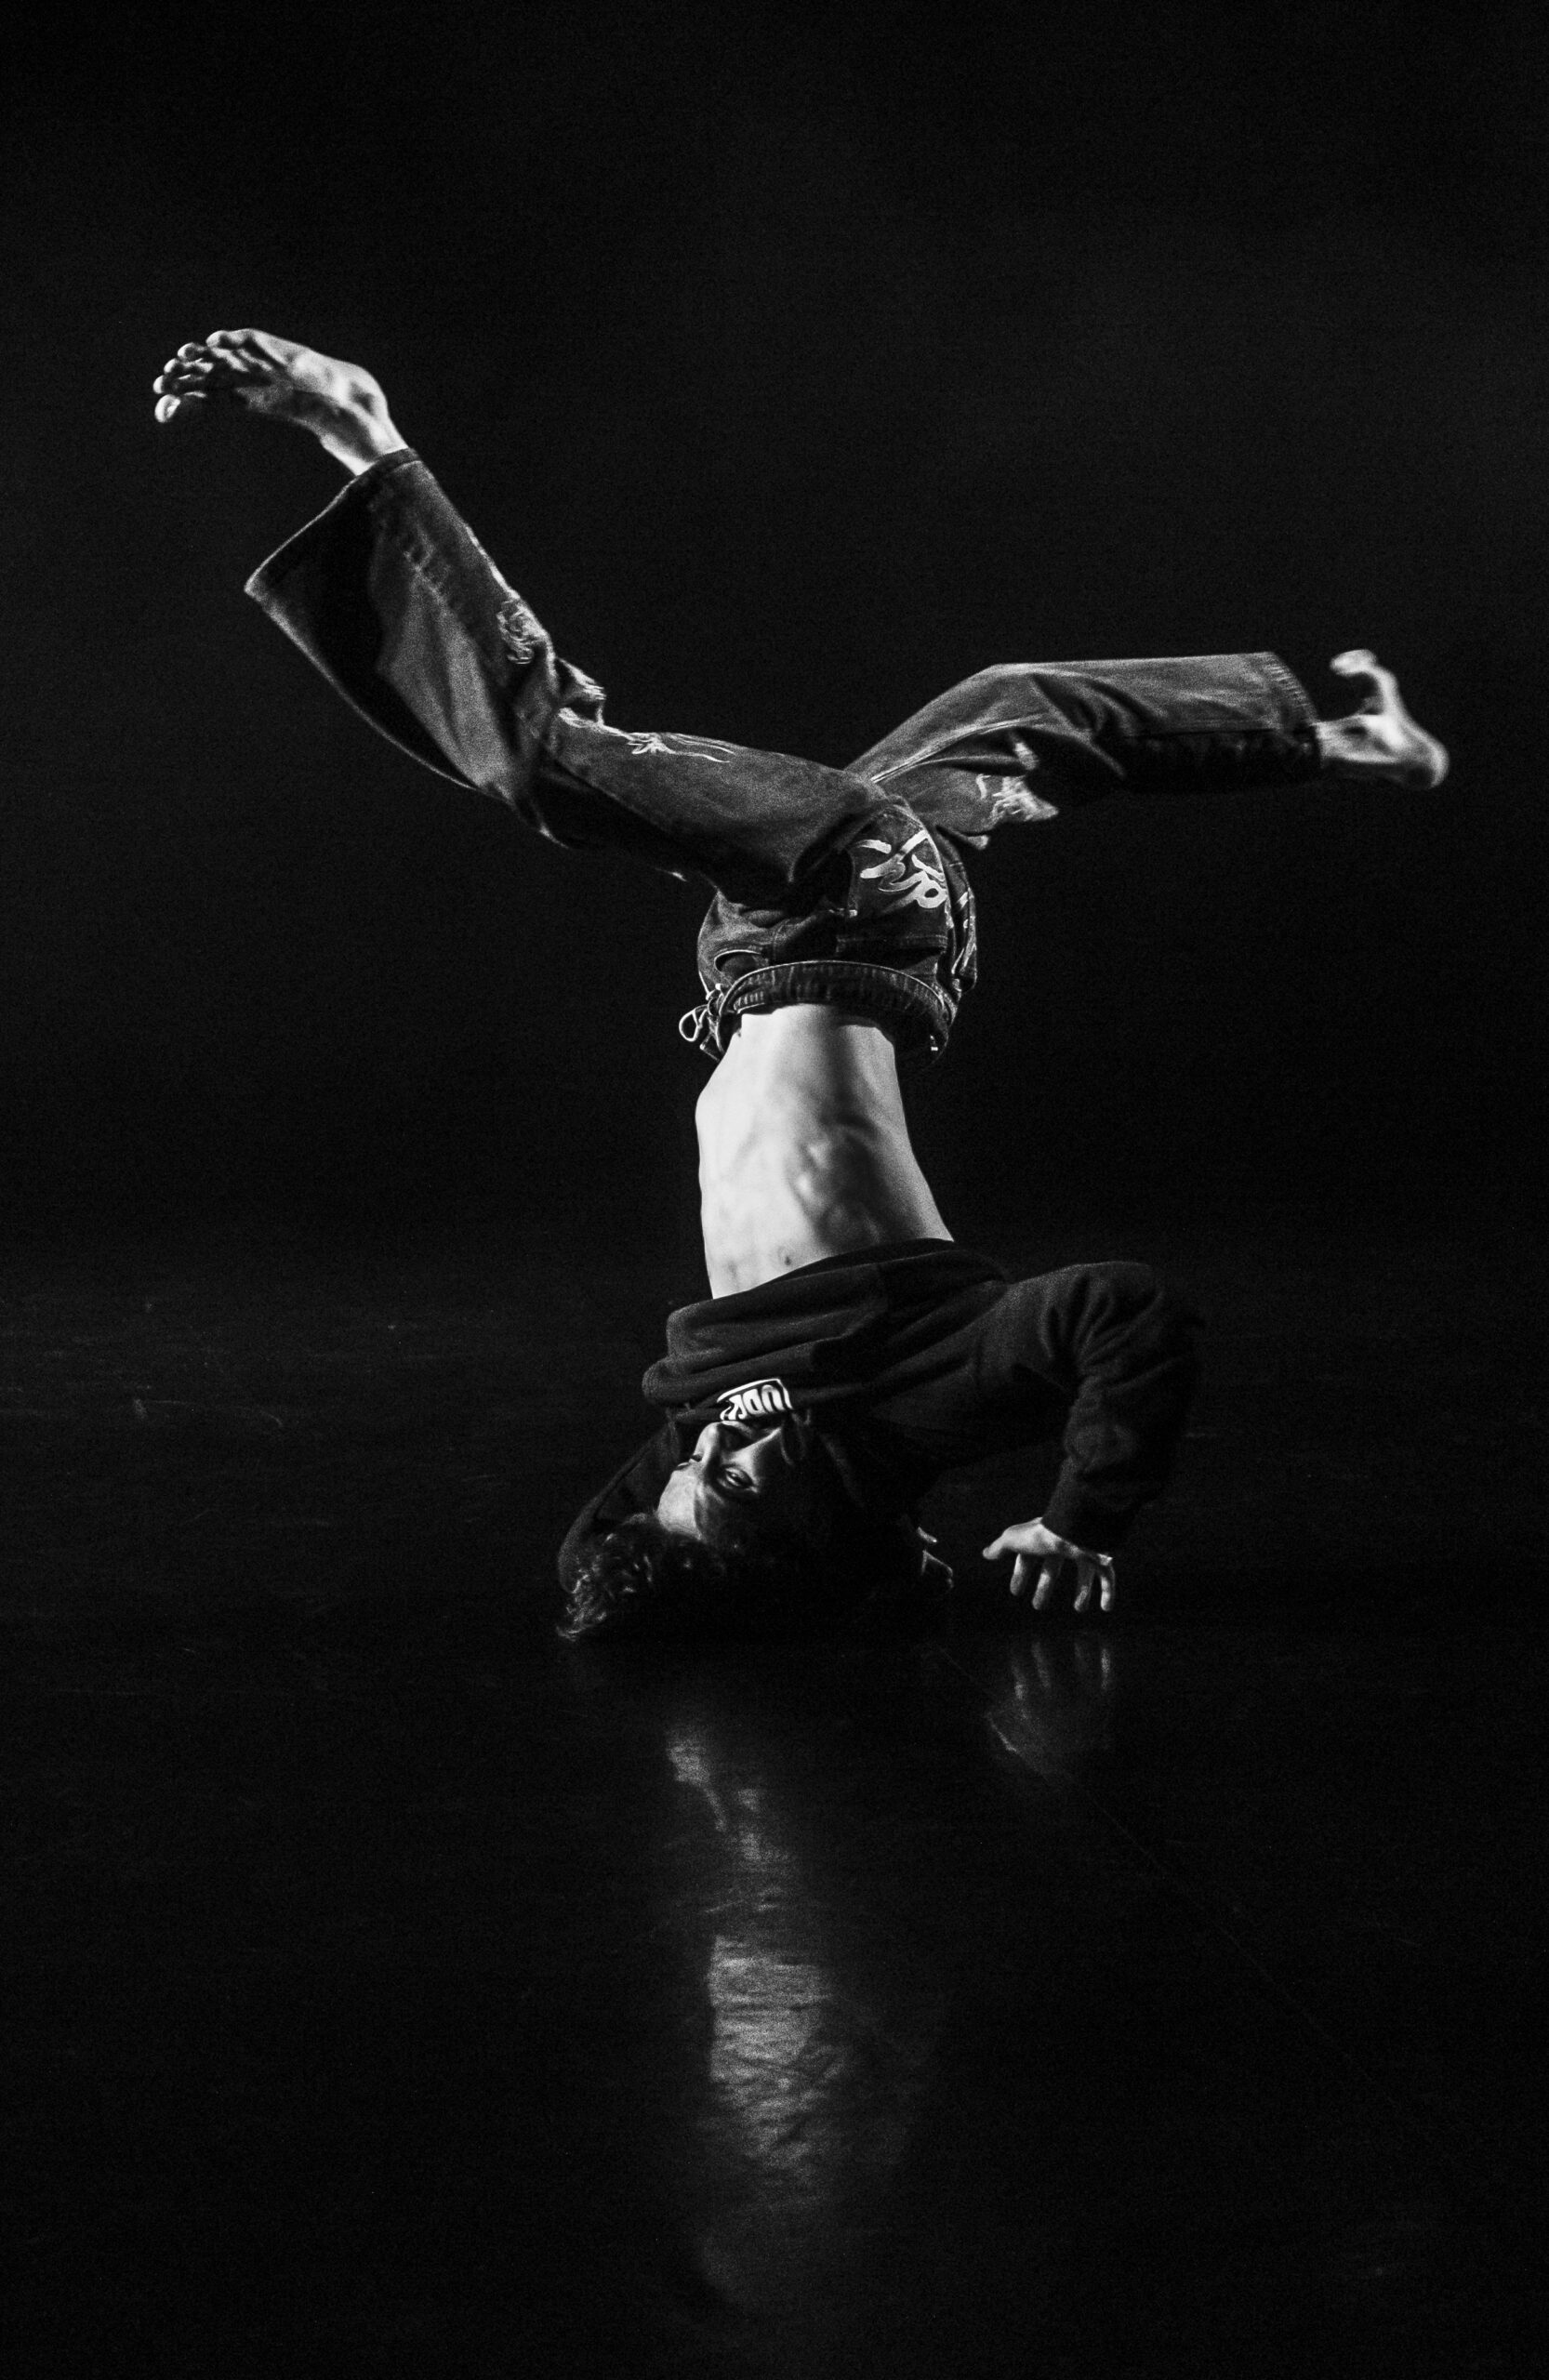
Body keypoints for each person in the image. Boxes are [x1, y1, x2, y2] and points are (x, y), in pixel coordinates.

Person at [152, 330, 1450, 1639]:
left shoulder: (724, 1438)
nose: (711, 1448)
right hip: (850, 913)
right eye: (732, 1484)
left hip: (755, 951)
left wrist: (709, 1551)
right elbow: (1128, 1314)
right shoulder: (917, 1407)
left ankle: (1346, 743)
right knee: (547, 764)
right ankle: (362, 434)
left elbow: (593, 1556)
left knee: (1007, 707)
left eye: (692, 1473)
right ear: (810, 1529)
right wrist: (1080, 1521)